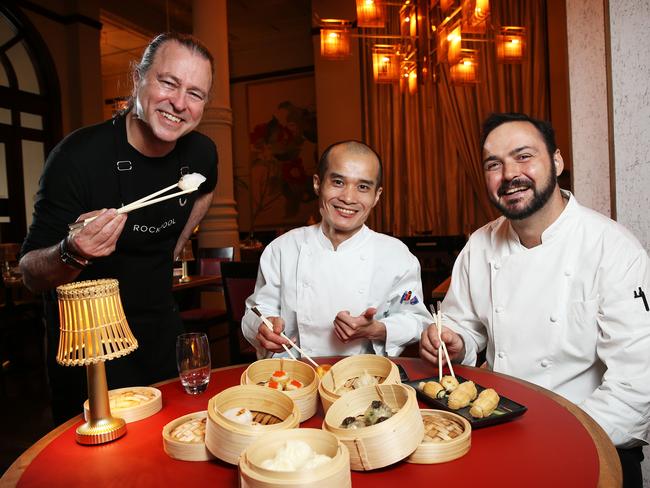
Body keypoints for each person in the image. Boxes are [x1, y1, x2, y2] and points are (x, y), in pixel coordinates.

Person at [420, 112, 650, 487]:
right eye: (494, 164)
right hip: (497, 427)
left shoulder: (613, 249)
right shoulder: (480, 244)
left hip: (590, 436)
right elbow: (463, 325)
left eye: (523, 156)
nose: (510, 173)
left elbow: (636, 384)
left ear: (557, 161)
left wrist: (559, 435)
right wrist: (455, 341)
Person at [19, 32, 218, 424]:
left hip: (160, 330)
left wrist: (175, 246)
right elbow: (29, 274)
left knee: (173, 446)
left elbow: (206, 188)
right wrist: (71, 251)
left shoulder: (201, 152)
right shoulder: (78, 157)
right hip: (89, 346)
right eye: (168, 82)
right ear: (138, 78)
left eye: (195, 93)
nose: (179, 103)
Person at [241, 140, 432, 359]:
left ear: (376, 196)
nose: (348, 198)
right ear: (317, 184)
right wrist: (263, 327)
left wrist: (377, 329)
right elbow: (255, 312)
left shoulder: (397, 256)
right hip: (294, 379)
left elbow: (417, 320)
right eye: (338, 182)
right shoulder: (282, 249)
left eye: (363, 187)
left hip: (366, 381)